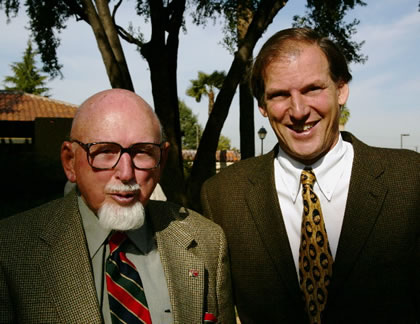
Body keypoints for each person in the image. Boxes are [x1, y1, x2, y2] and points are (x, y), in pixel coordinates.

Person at [201, 28, 420, 323]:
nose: (299, 110)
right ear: (263, 107)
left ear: (341, 90)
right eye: (279, 95)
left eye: (312, 89)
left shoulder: (410, 180)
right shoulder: (223, 195)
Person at [0, 88, 235, 324]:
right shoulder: (10, 250)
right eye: (105, 151)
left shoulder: (207, 241)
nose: (125, 173)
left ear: (161, 161)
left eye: (142, 152)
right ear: (70, 162)